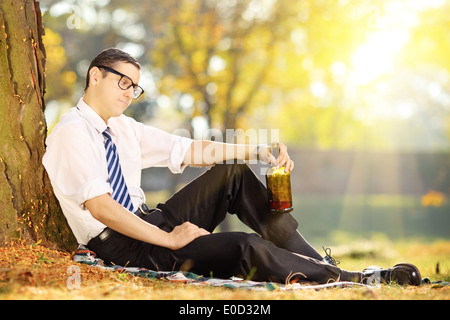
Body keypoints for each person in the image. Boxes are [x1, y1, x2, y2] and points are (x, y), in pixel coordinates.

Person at [42, 48, 421, 286]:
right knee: (242, 246)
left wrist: (257, 150)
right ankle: (352, 279)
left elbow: (190, 149)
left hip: (149, 222)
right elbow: (101, 207)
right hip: (122, 245)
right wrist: (171, 239)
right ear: (96, 75)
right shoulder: (72, 133)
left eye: (135, 88)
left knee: (233, 173)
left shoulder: (123, 128)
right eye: (123, 82)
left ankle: (317, 262)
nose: (129, 93)